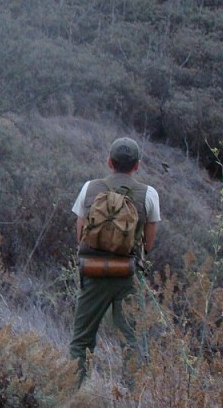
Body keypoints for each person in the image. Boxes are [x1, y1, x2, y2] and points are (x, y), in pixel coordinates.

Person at [69, 137, 161, 388]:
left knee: (81, 341)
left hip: (92, 273)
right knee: (132, 342)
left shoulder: (89, 188)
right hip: (127, 277)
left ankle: (72, 396)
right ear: (137, 165)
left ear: (109, 162)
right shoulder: (149, 194)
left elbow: (80, 236)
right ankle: (130, 398)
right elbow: (148, 245)